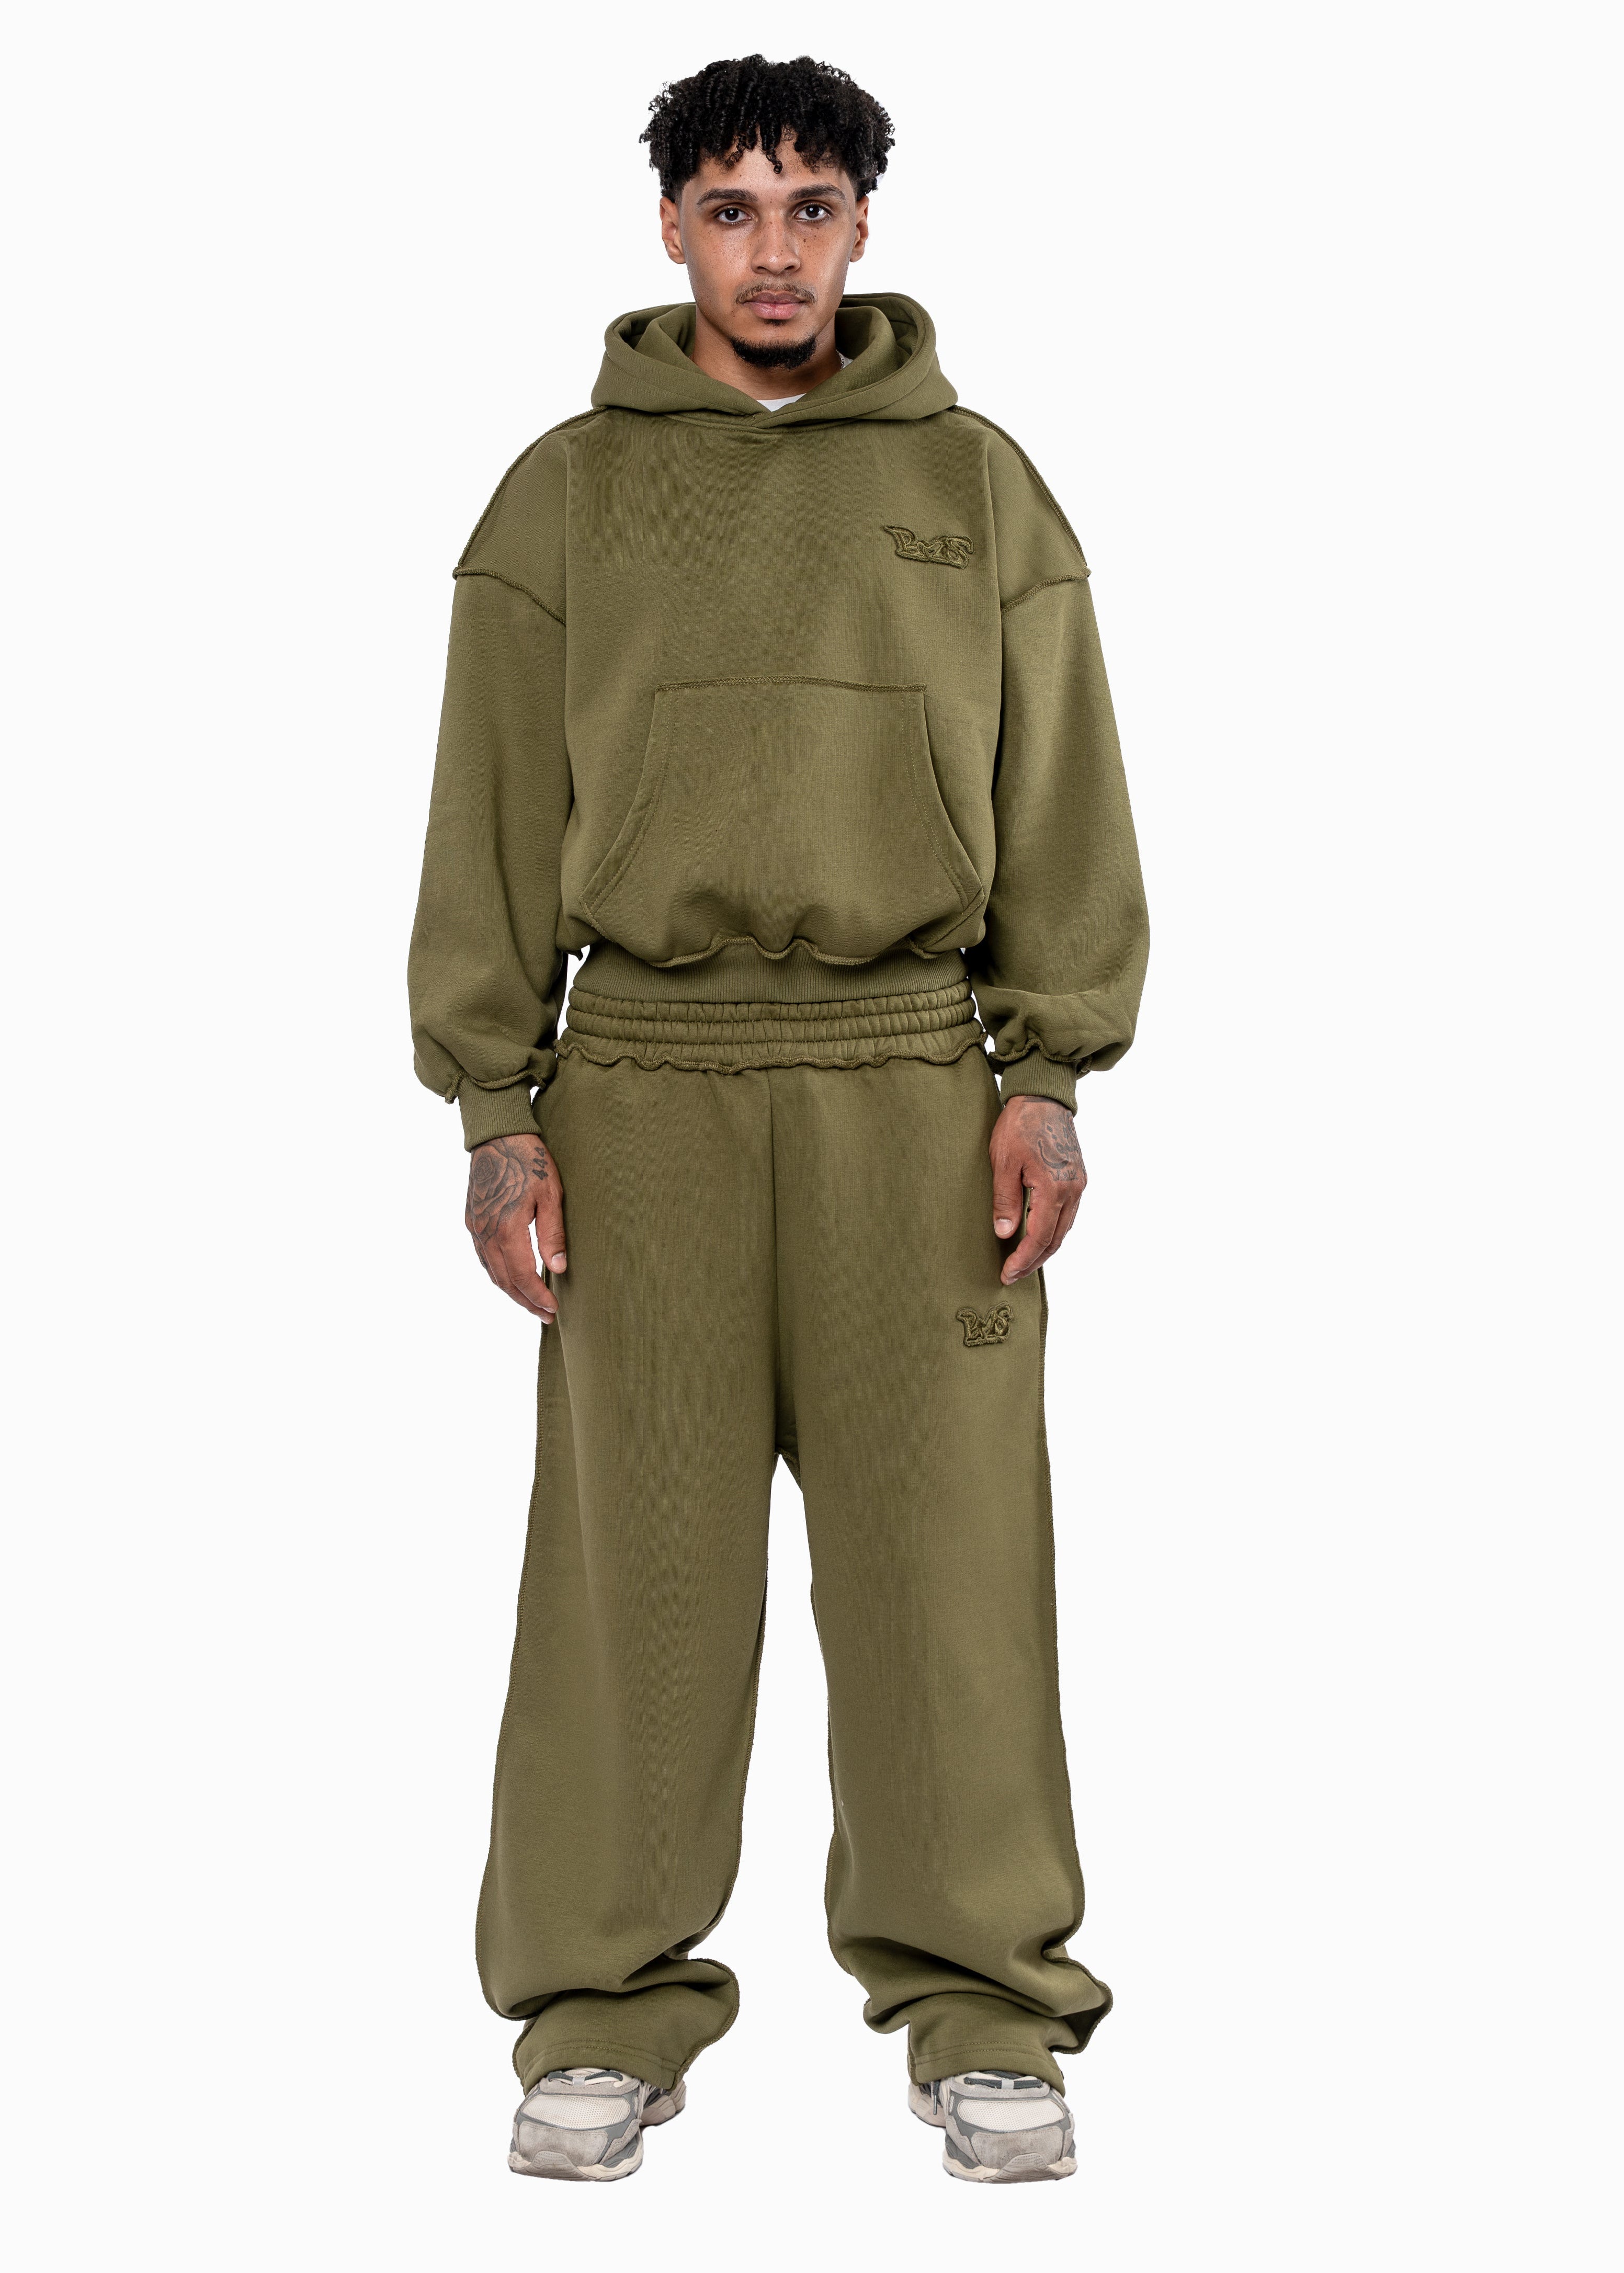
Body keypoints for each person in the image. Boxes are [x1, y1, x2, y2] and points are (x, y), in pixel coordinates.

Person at [408, 51, 1149, 2186]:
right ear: (669, 228)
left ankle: (984, 2004)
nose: (773, 250)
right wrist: (495, 1105)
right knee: (632, 1573)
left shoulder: (978, 487)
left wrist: (1046, 1075)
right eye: (729, 207)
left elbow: (1060, 798)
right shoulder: (561, 496)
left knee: (950, 1568)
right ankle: (598, 2007)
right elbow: (487, 815)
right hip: (642, 1078)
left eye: (810, 207)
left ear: (862, 227)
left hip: (911, 1074)